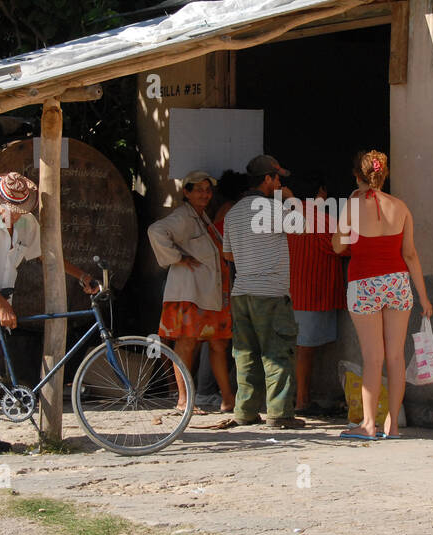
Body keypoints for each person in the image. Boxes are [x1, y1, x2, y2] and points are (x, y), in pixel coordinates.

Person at [0, 171, 98, 455]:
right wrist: (2, 305)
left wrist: (80, 275)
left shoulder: (27, 223)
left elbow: (47, 255)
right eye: (10, 210)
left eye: (19, 210)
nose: (14, 215)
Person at [332, 149, 431, 439]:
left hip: (364, 284)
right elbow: (410, 254)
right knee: (396, 357)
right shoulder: (401, 207)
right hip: (399, 283)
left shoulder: (352, 205)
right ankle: (393, 425)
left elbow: (338, 246)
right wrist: (423, 297)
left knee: (373, 357)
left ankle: (367, 425)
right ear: (383, 174)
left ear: (357, 176)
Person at [147, 169, 236, 414]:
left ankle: (227, 399)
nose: (204, 194)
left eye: (207, 190)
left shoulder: (201, 217)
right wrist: (177, 258)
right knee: (186, 344)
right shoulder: (182, 217)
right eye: (198, 190)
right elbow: (155, 231)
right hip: (190, 294)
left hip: (209, 294)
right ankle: (184, 400)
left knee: (218, 344)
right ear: (186, 193)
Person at [221, 154, 299, 428]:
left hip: (241, 293)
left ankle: (245, 413)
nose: (281, 184)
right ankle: (279, 414)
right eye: (279, 179)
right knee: (277, 352)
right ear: (268, 179)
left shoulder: (232, 213)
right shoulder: (271, 208)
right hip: (271, 293)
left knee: (246, 355)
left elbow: (228, 255)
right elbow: (299, 226)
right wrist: (289, 199)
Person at [286, 173, 345, 416]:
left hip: (289, 291)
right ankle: (301, 400)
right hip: (313, 293)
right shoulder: (323, 219)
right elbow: (342, 248)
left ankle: (294, 399)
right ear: (321, 192)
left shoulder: (287, 217)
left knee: (295, 349)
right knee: (305, 350)